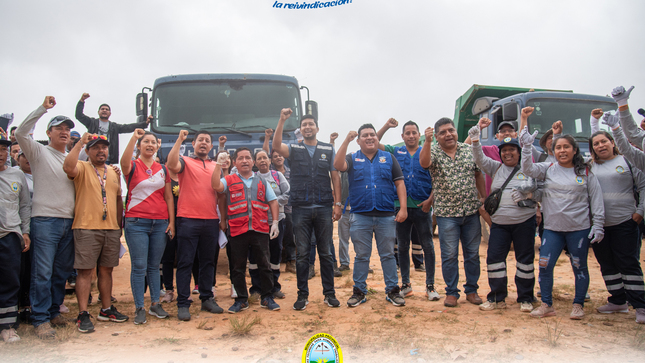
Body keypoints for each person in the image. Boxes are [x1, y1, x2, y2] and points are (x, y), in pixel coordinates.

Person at [519, 127, 604, 319]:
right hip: (552, 230)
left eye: (567, 147)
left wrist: (598, 225)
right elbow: (527, 168)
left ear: (575, 150)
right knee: (544, 266)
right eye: (558, 147)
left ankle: (578, 305)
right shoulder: (548, 169)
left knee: (579, 266)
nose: (562, 151)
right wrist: (526, 146)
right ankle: (547, 304)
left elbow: (596, 200)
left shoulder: (585, 172)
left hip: (578, 230)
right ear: (553, 151)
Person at [16, 96, 75, 339]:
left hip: (69, 222)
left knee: (61, 272)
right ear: (49, 133)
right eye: (59, 128)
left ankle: (53, 311)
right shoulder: (39, 152)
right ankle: (40, 318)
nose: (64, 132)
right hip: (44, 221)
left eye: (67, 129)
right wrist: (43, 109)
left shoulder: (73, 159)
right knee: (42, 272)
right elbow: (21, 133)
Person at [272, 109, 342, 310]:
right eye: (304, 125)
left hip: (323, 208)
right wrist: (282, 119)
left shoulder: (328, 149)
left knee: (326, 253)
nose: (308, 127)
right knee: (302, 254)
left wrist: (337, 204)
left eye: (311, 124)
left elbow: (335, 178)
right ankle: (302, 296)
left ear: (317, 128)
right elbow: (276, 146)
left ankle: (329, 294)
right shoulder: (294, 147)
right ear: (301, 130)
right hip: (301, 209)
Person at [334, 125, 408, 307]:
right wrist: (345, 140)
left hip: (386, 216)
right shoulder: (352, 158)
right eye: (365, 135)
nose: (369, 138)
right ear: (358, 140)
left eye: (372, 135)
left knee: (388, 255)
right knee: (361, 256)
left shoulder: (389, 158)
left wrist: (403, 208)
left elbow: (399, 183)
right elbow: (337, 165)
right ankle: (359, 292)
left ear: (377, 138)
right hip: (360, 216)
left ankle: (392, 290)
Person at [469, 122, 538, 312]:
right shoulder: (495, 168)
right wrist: (475, 141)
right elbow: (480, 159)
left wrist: (530, 195)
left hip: (524, 223)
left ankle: (525, 298)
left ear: (519, 151)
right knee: (494, 260)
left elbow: (542, 190)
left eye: (512, 150)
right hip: (499, 225)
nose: (508, 153)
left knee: (525, 261)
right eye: (505, 150)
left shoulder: (530, 169)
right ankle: (496, 298)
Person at [64, 133, 129, 332]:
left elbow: (118, 199)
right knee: (85, 271)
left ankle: (106, 309)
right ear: (88, 151)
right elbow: (68, 167)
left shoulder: (113, 171)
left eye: (104, 147)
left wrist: (119, 226)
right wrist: (79, 144)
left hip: (110, 228)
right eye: (95, 147)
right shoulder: (82, 167)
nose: (101, 151)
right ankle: (83, 313)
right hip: (86, 227)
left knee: (106, 270)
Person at [419, 117, 486, 308]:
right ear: (437, 137)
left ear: (456, 132)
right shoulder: (433, 151)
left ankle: (472, 291)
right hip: (447, 215)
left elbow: (478, 174)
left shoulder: (469, 150)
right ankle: (451, 293)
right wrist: (428, 141)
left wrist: (483, 197)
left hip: (471, 211)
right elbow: (424, 163)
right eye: (443, 132)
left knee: (472, 254)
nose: (448, 134)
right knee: (449, 255)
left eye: (451, 130)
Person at [211, 148, 281, 312]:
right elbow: (216, 186)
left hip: (260, 229)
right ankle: (241, 300)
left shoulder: (262, 181)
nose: (244, 161)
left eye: (247, 158)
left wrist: (276, 222)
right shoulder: (228, 179)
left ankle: (267, 297)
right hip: (237, 230)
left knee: (265, 265)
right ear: (235, 163)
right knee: (237, 267)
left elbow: (273, 201)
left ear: (253, 162)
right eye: (240, 158)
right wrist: (218, 165)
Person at [377, 118, 439, 300]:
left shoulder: (427, 152)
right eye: (408, 133)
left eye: (414, 133)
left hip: (423, 207)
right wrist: (386, 126)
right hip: (400, 207)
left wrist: (430, 201)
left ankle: (430, 287)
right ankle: (406, 285)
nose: (411, 136)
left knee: (428, 245)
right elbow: (375, 141)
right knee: (402, 246)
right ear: (402, 136)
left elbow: (437, 179)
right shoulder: (395, 152)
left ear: (419, 136)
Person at [166, 130, 224, 321]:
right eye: (200, 140)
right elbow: (171, 164)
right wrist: (179, 139)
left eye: (207, 141)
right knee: (185, 262)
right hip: (188, 219)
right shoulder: (185, 161)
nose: (204, 143)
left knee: (208, 262)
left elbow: (221, 192)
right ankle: (183, 303)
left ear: (211, 146)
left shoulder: (216, 165)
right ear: (193, 143)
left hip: (210, 221)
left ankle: (207, 298)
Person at [121, 129, 175, 324]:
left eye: (153, 142)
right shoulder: (133, 166)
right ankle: (139, 308)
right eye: (146, 142)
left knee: (154, 266)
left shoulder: (164, 169)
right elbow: (123, 162)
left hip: (160, 223)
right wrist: (133, 137)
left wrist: (171, 222)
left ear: (157, 145)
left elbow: (168, 196)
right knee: (139, 266)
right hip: (136, 222)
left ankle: (154, 305)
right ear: (140, 146)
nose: (150, 145)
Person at [0, 131, 31, 343]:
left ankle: (8, 325)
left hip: (10, 234)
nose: (1, 153)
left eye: (3, 149)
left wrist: (25, 231)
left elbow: (24, 206)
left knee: (10, 280)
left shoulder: (16, 175)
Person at [249, 150, 290, 299]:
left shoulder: (277, 176)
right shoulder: (252, 178)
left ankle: (274, 287)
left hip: (276, 220)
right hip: (257, 222)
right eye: (259, 159)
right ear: (255, 162)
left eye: (264, 158)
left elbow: (287, 193)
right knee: (255, 255)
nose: (262, 161)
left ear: (269, 160)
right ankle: (256, 287)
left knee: (275, 253)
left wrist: (272, 202)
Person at [75, 92, 150, 165]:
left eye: (107, 109)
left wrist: (144, 123)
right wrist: (82, 101)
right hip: (92, 158)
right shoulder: (92, 122)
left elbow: (128, 127)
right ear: (98, 112)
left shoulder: (114, 127)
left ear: (110, 113)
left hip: (108, 160)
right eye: (102, 109)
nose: (104, 110)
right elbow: (79, 116)